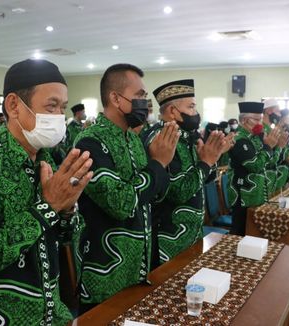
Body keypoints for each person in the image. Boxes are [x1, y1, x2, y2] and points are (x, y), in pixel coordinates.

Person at [0, 59, 92, 325]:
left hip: (50, 313)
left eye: (63, 108)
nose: (58, 117)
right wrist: (49, 205)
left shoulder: (47, 159)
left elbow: (65, 239)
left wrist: (67, 210)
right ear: (13, 106)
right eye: (51, 106)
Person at [74, 63, 179, 312]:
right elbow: (121, 203)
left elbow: (155, 194)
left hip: (138, 268)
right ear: (115, 98)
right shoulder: (90, 141)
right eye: (140, 95)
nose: (145, 101)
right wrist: (157, 163)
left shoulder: (132, 138)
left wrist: (163, 165)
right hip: (105, 273)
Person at [142, 79, 232, 266]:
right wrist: (206, 162)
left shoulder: (186, 137)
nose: (195, 113)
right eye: (191, 107)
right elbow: (178, 191)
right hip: (169, 239)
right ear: (173, 111)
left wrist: (211, 160)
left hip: (191, 234)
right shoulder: (162, 138)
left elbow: (203, 180)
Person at [227, 102, 281, 235]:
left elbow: (268, 162)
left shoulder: (255, 138)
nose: (260, 123)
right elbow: (255, 165)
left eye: (261, 119)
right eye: (257, 120)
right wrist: (268, 147)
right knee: (239, 233)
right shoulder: (239, 139)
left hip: (256, 193)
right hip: (243, 195)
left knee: (252, 232)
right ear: (245, 120)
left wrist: (274, 146)